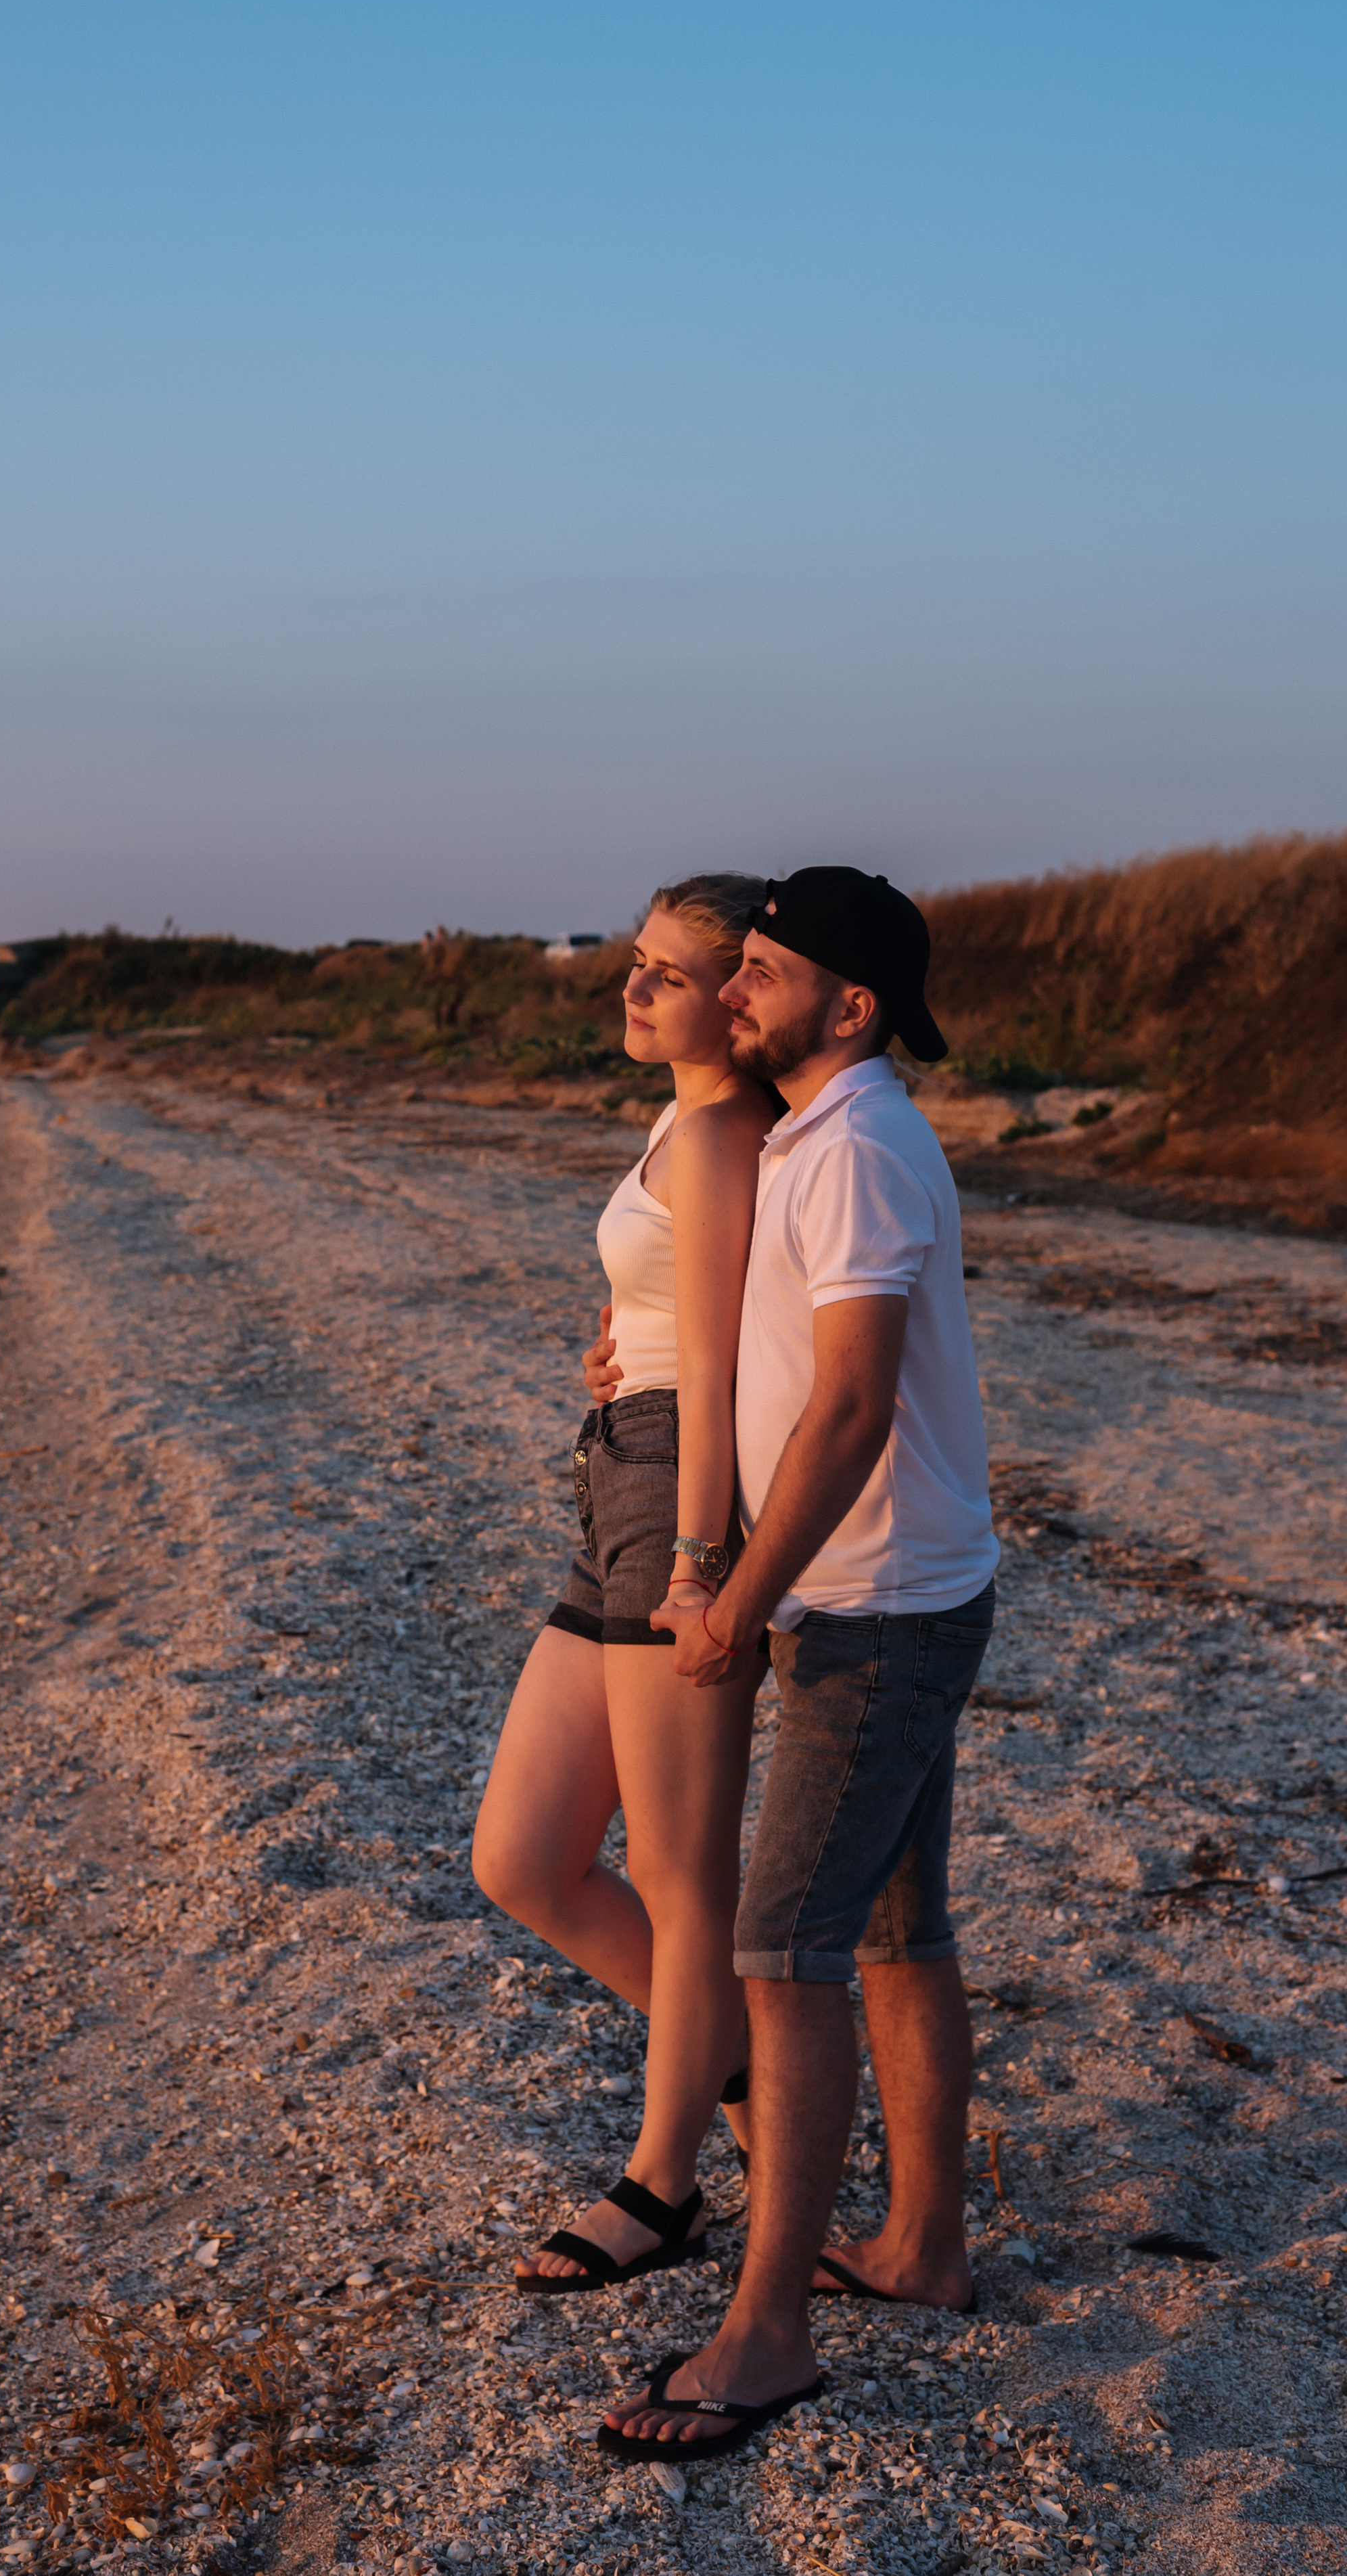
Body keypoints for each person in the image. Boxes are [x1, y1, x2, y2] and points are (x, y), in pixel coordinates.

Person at [597, 867, 999, 2459]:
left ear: (852, 1005)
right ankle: (921, 2247)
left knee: (780, 1953)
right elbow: (756, 1345)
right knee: (895, 1932)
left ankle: (764, 2334)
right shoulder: (813, 1138)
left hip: (871, 1606)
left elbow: (846, 1406)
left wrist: (733, 1596)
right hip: (889, 1589)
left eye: (762, 970)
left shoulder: (857, 1150)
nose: (734, 990)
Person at [471, 874, 781, 2292]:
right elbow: (679, 1325)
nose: (633, 987)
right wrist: (614, 1351)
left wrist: (705, 1564)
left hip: (675, 1498)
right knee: (523, 1857)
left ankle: (664, 2184)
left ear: (737, 999)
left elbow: (720, 1371)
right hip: (618, 1473)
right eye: (635, 962)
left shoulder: (720, 1133)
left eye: (668, 974)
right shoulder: (678, 1117)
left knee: (674, 1869)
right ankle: (748, 2066)